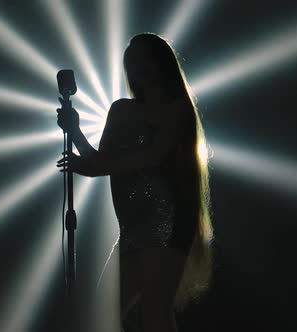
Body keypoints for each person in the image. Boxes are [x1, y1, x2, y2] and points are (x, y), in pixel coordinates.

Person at [56, 32, 213, 332]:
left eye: (146, 59)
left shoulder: (177, 108)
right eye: (134, 60)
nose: (140, 66)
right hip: (131, 227)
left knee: (154, 312)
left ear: (161, 63)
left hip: (167, 220)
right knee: (104, 311)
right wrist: (74, 131)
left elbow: (152, 157)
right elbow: (99, 159)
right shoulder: (120, 110)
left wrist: (93, 168)